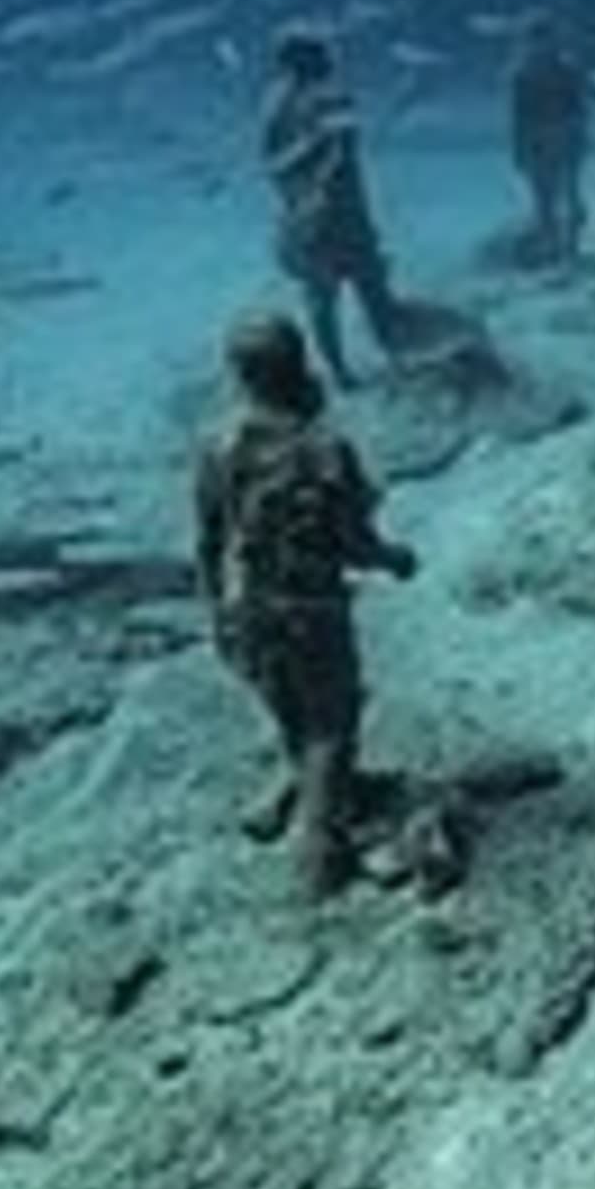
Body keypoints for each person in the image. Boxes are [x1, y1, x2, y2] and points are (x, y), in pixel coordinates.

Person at [195, 310, 418, 896]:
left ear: (239, 376)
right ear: (301, 367)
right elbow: (354, 543)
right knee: (332, 725)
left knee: (290, 709)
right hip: (312, 613)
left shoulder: (217, 449)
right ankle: (316, 854)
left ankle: (310, 788)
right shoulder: (325, 449)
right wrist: (395, 559)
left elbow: (208, 542)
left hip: (247, 611)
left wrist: (216, 611)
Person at [259, 22, 409, 389]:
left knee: (320, 297)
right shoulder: (330, 97)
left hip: (299, 214)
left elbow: (270, 163)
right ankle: (398, 357)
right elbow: (340, 153)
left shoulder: (271, 101)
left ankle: (340, 373)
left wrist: (298, 199)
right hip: (341, 211)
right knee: (371, 286)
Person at [508, 10, 590, 264]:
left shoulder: (568, 69)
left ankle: (571, 248)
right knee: (544, 200)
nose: (541, 47)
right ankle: (553, 248)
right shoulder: (520, 75)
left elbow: (580, 108)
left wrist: (579, 139)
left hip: (564, 137)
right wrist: (519, 150)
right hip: (538, 142)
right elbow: (517, 118)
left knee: (570, 195)